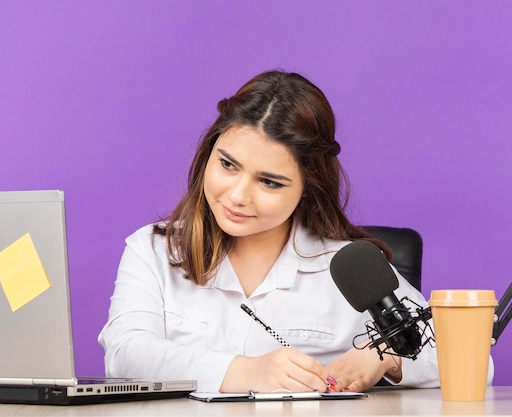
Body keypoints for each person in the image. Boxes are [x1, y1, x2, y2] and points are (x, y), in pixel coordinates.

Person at [98, 70, 443, 393]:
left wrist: (386, 356)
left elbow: (462, 356)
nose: (237, 196)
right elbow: (125, 355)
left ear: (309, 186)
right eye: (227, 164)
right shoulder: (155, 249)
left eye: (268, 182)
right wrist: (247, 372)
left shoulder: (348, 265)